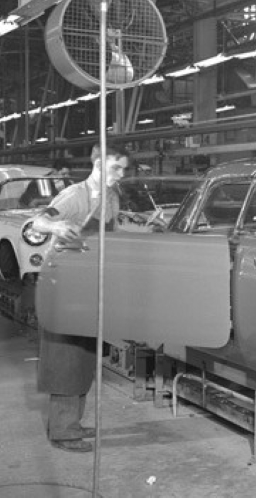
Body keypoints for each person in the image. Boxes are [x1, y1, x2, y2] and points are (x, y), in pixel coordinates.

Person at [32, 143, 129, 452]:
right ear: (98, 164)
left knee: (84, 356)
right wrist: (56, 225)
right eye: (116, 168)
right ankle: (63, 431)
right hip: (64, 285)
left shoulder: (112, 197)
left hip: (89, 284)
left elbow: (110, 234)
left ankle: (72, 422)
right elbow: (37, 222)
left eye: (124, 169)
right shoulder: (74, 195)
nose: (121, 174)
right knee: (65, 357)